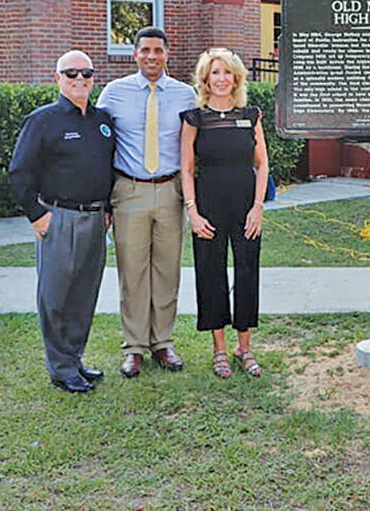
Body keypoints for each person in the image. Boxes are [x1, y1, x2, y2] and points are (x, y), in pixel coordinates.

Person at [9, 50, 115, 393]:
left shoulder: (102, 120)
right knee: (55, 296)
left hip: (96, 219)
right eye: (71, 74)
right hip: (59, 219)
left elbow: (108, 169)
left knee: (84, 294)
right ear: (58, 79)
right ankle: (61, 368)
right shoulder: (43, 120)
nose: (80, 79)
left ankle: (75, 358)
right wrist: (37, 215)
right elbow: (19, 172)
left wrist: (109, 207)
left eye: (86, 72)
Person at [97, 27, 196, 378]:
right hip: (130, 190)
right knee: (133, 271)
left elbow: (198, 144)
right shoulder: (113, 93)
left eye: (158, 50)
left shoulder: (186, 95)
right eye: (145, 51)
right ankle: (134, 347)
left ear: (168, 54)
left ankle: (163, 343)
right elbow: (98, 144)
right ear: (134, 54)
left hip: (170, 191)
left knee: (167, 270)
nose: (152, 57)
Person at [181, 48, 269, 379]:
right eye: (214, 73)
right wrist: (193, 212)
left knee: (247, 271)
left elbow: (262, 166)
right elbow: (186, 170)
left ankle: (243, 348)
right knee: (210, 272)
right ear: (206, 79)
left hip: (246, 205)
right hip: (207, 206)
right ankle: (219, 349)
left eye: (227, 72)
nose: (221, 79)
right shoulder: (194, 119)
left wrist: (257, 208)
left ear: (236, 78)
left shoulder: (252, 115)